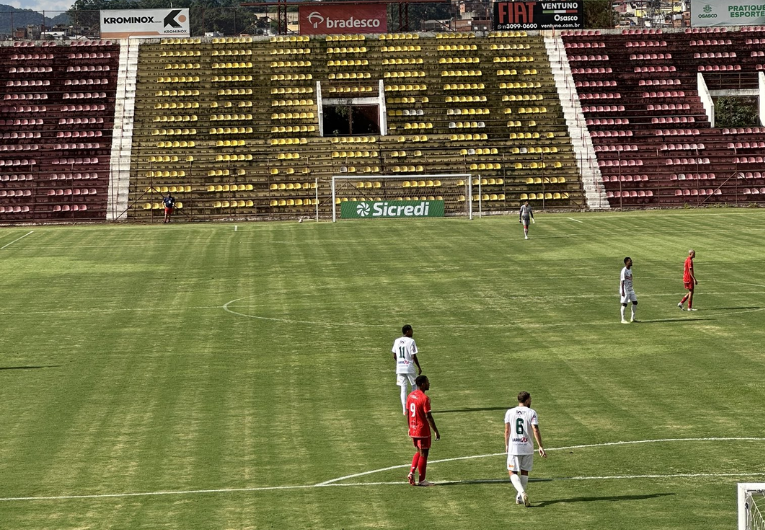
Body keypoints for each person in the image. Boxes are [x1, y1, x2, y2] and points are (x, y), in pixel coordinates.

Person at [504, 391, 546, 507]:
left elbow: (507, 430)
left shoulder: (510, 412)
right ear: (527, 400)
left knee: (512, 471)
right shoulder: (532, 412)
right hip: (527, 447)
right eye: (530, 399)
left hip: (514, 446)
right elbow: (535, 429)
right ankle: (520, 497)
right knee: (524, 471)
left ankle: (522, 493)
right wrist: (540, 446)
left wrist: (507, 444)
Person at [406, 375, 440, 487]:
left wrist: (409, 427)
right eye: (427, 382)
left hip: (413, 428)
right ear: (422, 384)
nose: (428, 384)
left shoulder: (410, 396)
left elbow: (408, 413)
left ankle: (411, 472)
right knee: (424, 454)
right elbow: (428, 416)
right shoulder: (424, 399)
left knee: (418, 451)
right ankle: (422, 480)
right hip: (422, 430)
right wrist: (435, 430)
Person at [392, 324, 422, 415]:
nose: (412, 332)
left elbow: (394, 355)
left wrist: (400, 362)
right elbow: (413, 356)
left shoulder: (396, 341)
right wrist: (419, 367)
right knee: (415, 385)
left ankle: (405, 409)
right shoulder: (411, 341)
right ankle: (413, 405)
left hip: (400, 367)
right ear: (408, 331)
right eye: (411, 330)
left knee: (403, 387)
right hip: (409, 366)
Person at [620, 256, 638, 324]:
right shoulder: (623, 271)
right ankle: (622, 319)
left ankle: (632, 318)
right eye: (630, 261)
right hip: (625, 289)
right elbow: (622, 281)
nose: (631, 262)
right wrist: (623, 291)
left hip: (630, 288)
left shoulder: (630, 269)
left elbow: (631, 277)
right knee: (624, 304)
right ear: (626, 262)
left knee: (635, 302)